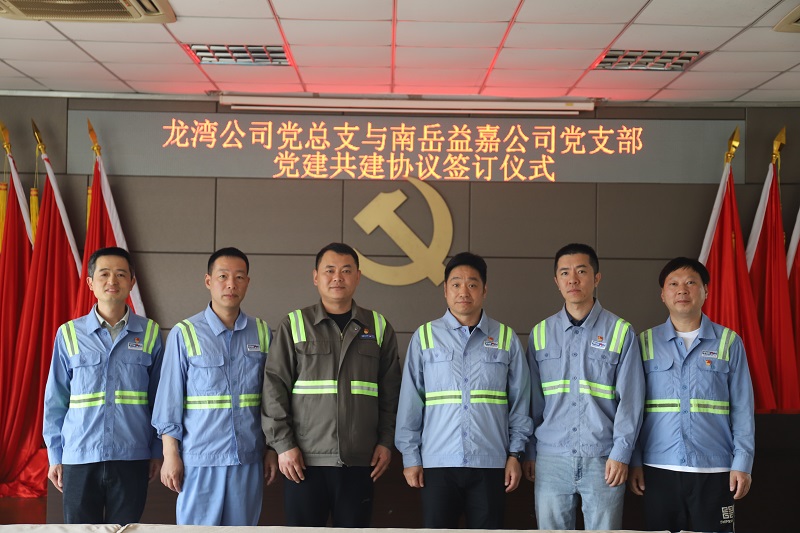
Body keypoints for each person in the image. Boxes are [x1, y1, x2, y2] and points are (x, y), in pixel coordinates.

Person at [261, 242, 401, 527]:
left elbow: (391, 393)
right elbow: (274, 388)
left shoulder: (378, 327)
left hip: (360, 462)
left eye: (346, 271)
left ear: (358, 277)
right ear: (316, 277)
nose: (338, 277)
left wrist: (386, 442)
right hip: (302, 461)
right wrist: (283, 445)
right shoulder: (294, 324)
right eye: (330, 270)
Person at [395, 252, 532, 529]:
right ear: (445, 290)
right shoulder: (425, 337)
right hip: (437, 463)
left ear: (484, 290)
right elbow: (410, 402)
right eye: (456, 284)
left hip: (490, 463)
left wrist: (515, 455)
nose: (463, 292)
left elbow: (520, 403)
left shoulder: (506, 338)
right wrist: (410, 457)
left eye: (472, 284)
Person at [152, 247, 277, 526]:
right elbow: (169, 401)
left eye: (239, 277)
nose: (231, 284)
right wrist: (170, 455)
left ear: (247, 282)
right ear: (208, 281)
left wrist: (271, 449)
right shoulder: (185, 333)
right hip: (200, 461)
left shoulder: (262, 332)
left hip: (248, 460)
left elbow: (271, 399)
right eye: (223, 276)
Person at [523, 243, 644, 530]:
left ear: (596, 277)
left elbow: (631, 401)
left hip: (604, 460)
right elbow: (532, 402)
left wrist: (621, 453)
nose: (573, 279)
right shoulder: (540, 333)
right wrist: (530, 452)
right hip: (551, 459)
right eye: (565, 273)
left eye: (581, 271)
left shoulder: (620, 331)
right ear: (556, 281)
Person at [629, 257, 754, 532]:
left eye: (690, 283)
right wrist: (634, 461)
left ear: (705, 291)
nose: (682, 290)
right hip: (658, 469)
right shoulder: (644, 343)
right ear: (663, 295)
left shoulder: (729, 342)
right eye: (673, 284)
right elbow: (633, 410)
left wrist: (743, 463)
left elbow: (743, 409)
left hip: (716, 471)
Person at [43, 247, 163, 524]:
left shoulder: (150, 333)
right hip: (79, 456)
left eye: (121, 274)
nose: (112, 281)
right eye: (104, 274)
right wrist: (55, 454)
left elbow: (159, 399)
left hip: (132, 456)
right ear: (90, 282)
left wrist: (157, 450)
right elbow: (55, 400)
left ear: (132, 282)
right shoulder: (69, 334)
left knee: (126, 530)